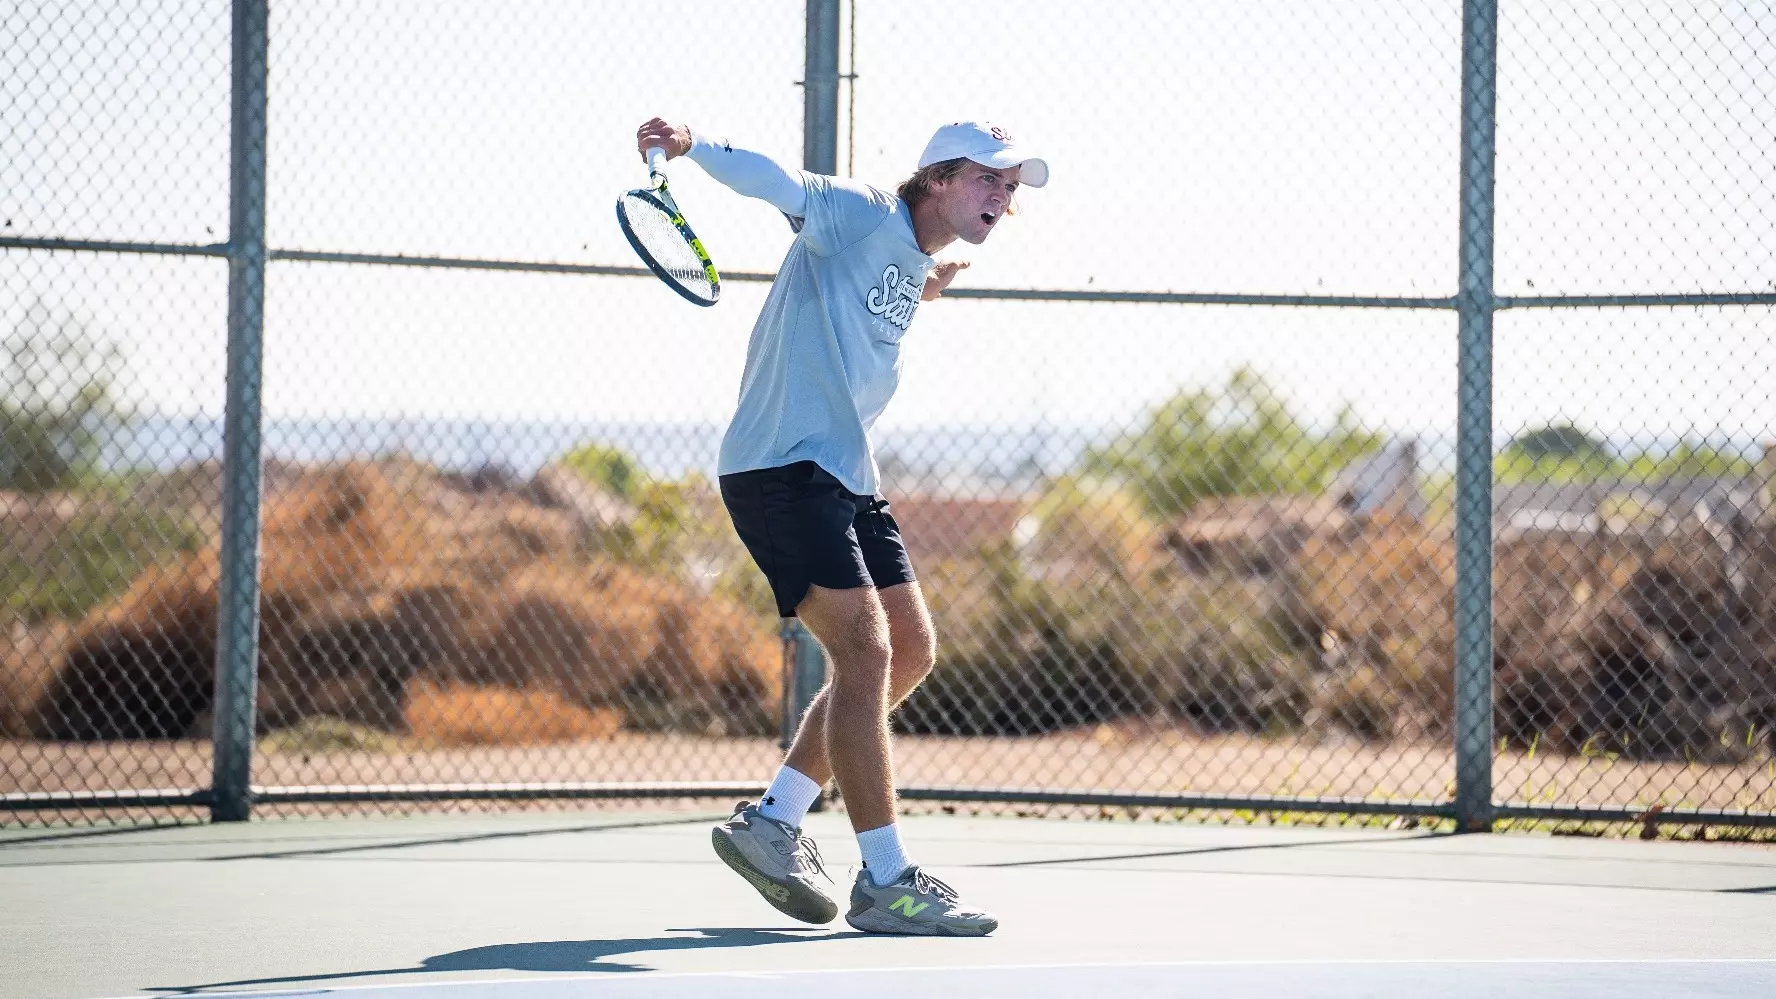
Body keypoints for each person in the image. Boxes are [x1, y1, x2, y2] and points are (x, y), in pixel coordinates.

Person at [634, 116, 1048, 936]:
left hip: (846, 474)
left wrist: (926, 282)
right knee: (865, 652)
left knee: (910, 649)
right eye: (986, 178)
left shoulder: (908, 253)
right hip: (781, 467)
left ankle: (775, 819)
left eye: (1009, 185)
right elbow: (779, 183)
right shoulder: (860, 213)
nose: (1000, 195)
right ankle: (887, 878)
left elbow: (885, 280)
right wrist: (691, 143)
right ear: (934, 178)